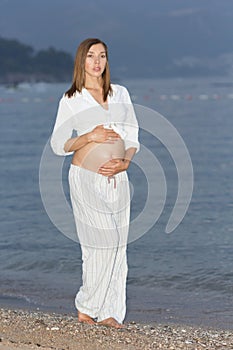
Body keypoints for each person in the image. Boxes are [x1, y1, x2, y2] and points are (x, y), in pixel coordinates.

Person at [50, 38, 140, 329]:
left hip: (118, 179)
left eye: (102, 56)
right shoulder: (72, 98)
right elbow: (57, 144)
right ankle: (86, 305)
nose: (97, 62)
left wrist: (125, 162)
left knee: (118, 247)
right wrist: (89, 136)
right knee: (104, 242)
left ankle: (110, 311)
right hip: (85, 179)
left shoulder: (121, 93)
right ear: (81, 61)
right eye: (91, 56)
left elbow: (132, 136)